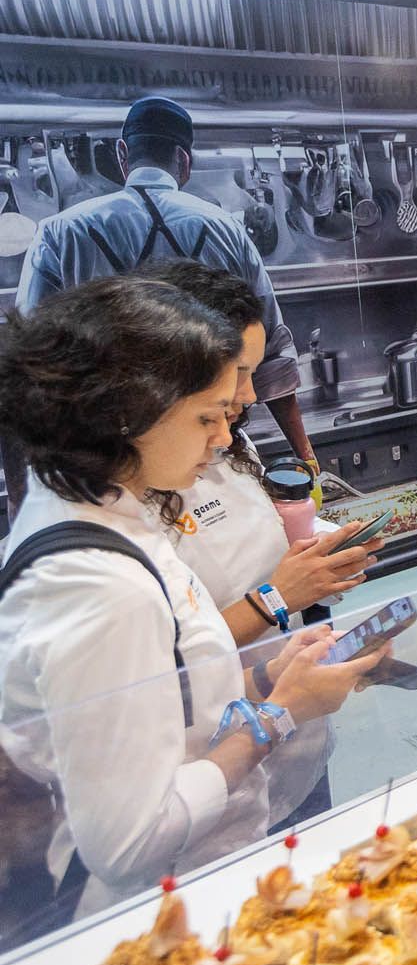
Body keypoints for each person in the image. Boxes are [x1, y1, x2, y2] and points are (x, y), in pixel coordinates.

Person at [0, 278, 378, 918]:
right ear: (130, 414)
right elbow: (128, 844)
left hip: (208, 883)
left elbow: (171, 708)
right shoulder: (98, 587)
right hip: (153, 915)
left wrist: (266, 679)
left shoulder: (119, 518)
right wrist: (278, 714)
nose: (225, 437)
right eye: (207, 417)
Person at [6, 96, 313, 524]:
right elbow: (273, 357)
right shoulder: (226, 230)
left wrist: (24, 505)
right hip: (214, 454)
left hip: (109, 471)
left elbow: (26, 371)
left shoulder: (62, 231)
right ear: (184, 162)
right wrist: (306, 458)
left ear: (121, 155)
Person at [145, 262, 374, 828]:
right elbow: (161, 676)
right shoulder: (140, 497)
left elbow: (255, 557)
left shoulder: (230, 441)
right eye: (239, 372)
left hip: (292, 729)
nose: (248, 394)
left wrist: (314, 563)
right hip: (210, 774)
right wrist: (277, 596)